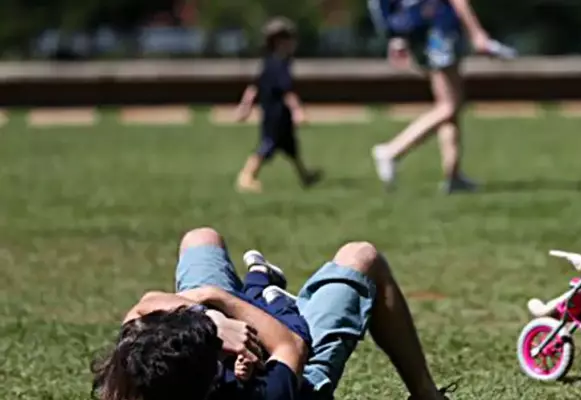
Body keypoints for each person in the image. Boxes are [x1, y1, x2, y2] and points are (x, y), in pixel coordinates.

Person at [91, 227, 452, 400]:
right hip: (295, 367)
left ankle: (261, 287)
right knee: (362, 257)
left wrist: (213, 322)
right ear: (211, 374)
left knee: (201, 239)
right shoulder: (262, 397)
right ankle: (426, 395)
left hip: (229, 343)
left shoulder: (133, 380)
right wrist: (217, 301)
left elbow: (144, 305)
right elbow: (289, 344)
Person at [367, 0, 506, 193]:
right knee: (449, 106)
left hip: (420, 31)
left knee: (449, 105)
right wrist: (477, 33)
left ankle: (454, 176)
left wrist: (394, 38)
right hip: (439, 28)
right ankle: (392, 151)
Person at [235, 17, 321, 193]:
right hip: (276, 114)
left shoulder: (269, 62)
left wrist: (245, 107)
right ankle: (246, 176)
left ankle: (305, 176)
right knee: (267, 146)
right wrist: (298, 111)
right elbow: (287, 91)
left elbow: (253, 87)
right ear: (279, 42)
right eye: (290, 39)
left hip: (277, 114)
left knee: (291, 147)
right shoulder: (279, 64)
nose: (293, 43)